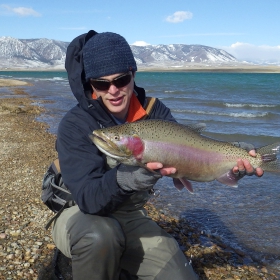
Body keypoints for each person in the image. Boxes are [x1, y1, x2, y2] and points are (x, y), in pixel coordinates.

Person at [51, 30, 263, 280]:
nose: (113, 91)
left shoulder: (154, 111)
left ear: (133, 74)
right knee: (101, 237)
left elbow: (190, 158)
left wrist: (231, 165)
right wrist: (127, 179)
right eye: (101, 84)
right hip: (79, 215)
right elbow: (87, 199)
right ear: (91, 84)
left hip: (130, 215)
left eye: (121, 80)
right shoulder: (75, 124)